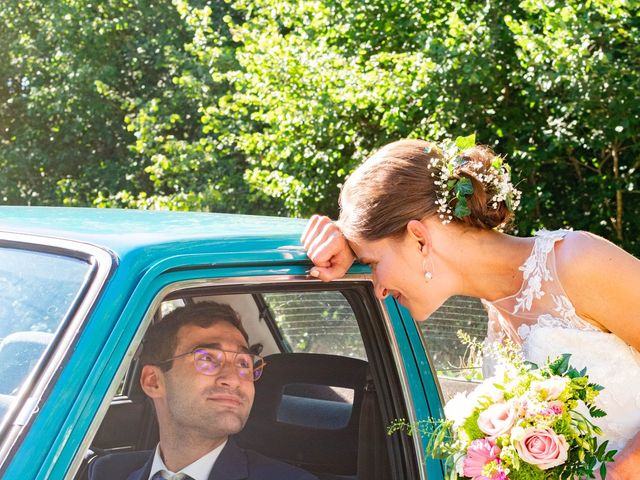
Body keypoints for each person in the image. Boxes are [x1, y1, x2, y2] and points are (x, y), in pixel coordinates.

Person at [301, 138, 640, 479]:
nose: (378, 289)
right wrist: (340, 240)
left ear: (420, 238)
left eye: (372, 264)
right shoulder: (496, 308)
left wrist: (627, 468)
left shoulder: (576, 262)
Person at [89, 301, 317, 480]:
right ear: (153, 381)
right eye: (207, 358)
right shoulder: (107, 472)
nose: (234, 379)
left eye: (243, 364)